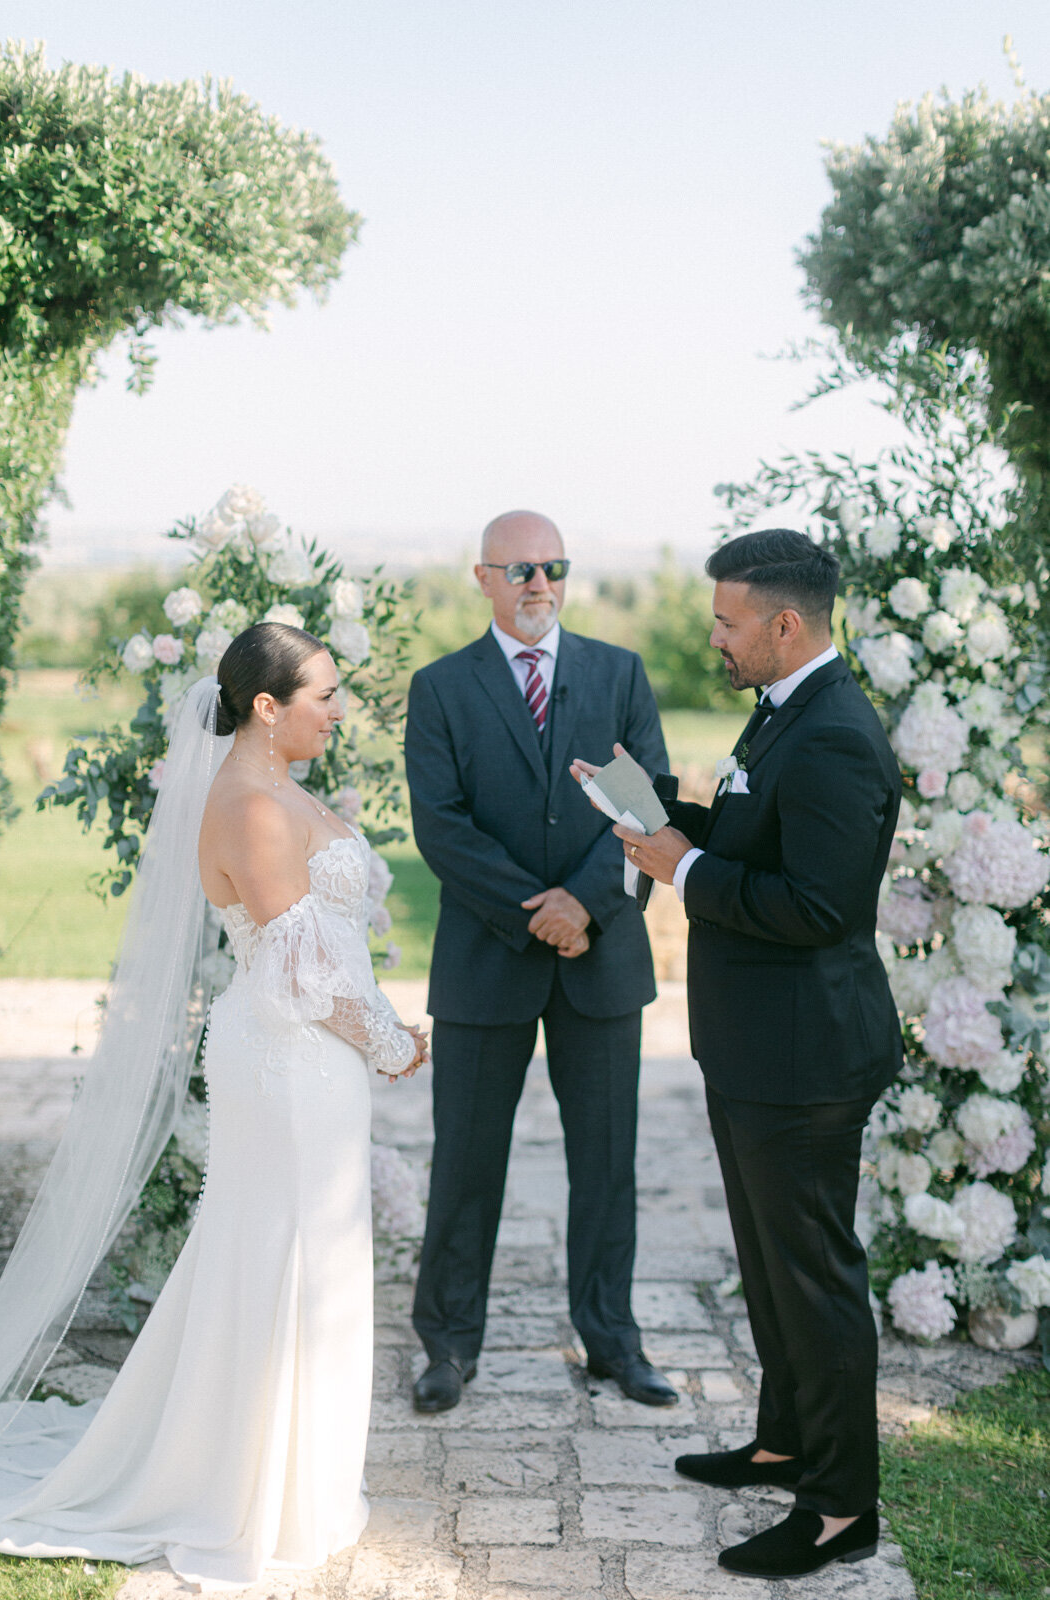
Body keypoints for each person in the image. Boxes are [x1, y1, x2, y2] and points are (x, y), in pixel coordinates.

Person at [0, 623, 426, 1589]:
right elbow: (302, 969)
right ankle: (250, 1494)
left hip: (312, 1059)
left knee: (307, 1252)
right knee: (282, 1257)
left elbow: (327, 942)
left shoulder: (276, 787)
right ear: (267, 707)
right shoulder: (250, 808)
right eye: (324, 695)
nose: (339, 710)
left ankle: (295, 1479)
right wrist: (394, 1043)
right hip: (288, 1057)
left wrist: (381, 1036)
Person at [579, 529, 902, 1580]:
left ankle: (838, 1507)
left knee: (813, 1279)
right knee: (768, 1266)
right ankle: (782, 1440)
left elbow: (816, 905)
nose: (711, 636)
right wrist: (651, 806)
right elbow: (752, 834)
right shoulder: (784, 714)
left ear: (784, 624)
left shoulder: (836, 735)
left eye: (725, 621)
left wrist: (677, 871)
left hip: (806, 1057)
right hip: (756, 1048)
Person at [405, 509, 675, 1414]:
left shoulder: (618, 674)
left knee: (605, 1164)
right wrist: (536, 914)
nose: (538, 585)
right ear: (482, 577)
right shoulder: (440, 688)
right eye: (518, 570)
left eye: (552, 567)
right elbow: (441, 828)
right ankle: (446, 1345)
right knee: (466, 1161)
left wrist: (584, 905)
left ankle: (612, 1341)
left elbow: (644, 809)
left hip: (600, 959)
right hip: (487, 959)